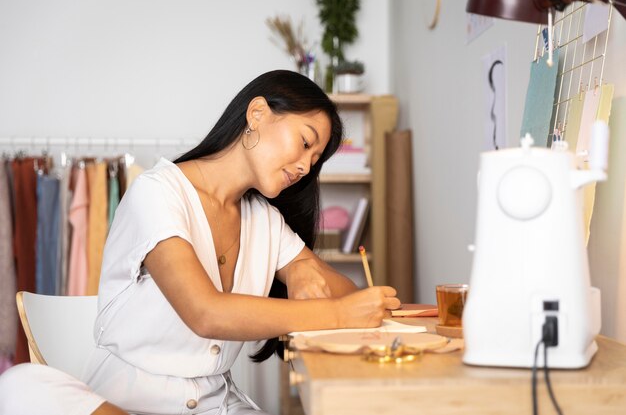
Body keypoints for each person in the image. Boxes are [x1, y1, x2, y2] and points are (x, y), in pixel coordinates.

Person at [0, 70, 400, 415]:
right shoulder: (157, 193)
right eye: (305, 142)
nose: (305, 166)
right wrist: (336, 314)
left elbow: (350, 297)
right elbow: (205, 313)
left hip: (217, 404)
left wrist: (301, 267)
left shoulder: (265, 219)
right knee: (20, 384)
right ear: (257, 114)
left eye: (315, 161)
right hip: (121, 402)